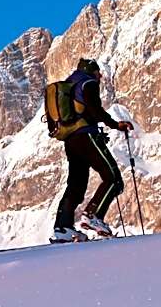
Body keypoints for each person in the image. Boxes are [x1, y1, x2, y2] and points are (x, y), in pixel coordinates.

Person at [52, 59, 134, 242]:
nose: (101, 76)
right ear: (91, 71)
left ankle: (62, 228)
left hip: (71, 140)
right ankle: (93, 215)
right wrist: (115, 124)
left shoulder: (70, 84)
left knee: (76, 185)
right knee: (113, 178)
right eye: (98, 73)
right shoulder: (87, 83)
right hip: (86, 136)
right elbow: (95, 111)